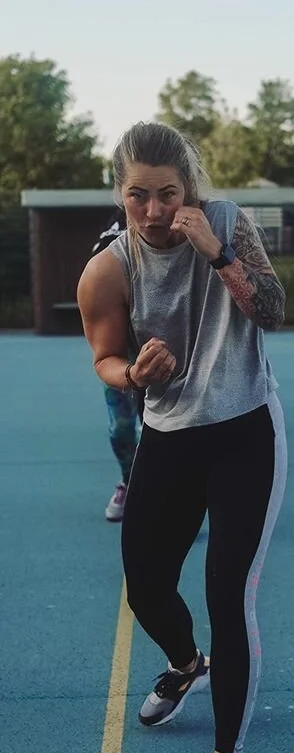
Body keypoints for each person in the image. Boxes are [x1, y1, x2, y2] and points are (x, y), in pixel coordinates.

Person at [77, 121, 288, 753]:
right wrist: (133, 376)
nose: (154, 211)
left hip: (244, 428)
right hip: (168, 434)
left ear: (188, 189)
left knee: (228, 594)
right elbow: (104, 359)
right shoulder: (108, 268)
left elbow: (275, 311)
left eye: (167, 193)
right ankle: (185, 660)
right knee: (144, 582)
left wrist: (219, 253)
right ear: (119, 192)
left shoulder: (227, 222)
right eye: (137, 195)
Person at [89, 208, 142, 522]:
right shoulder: (110, 233)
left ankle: (175, 496)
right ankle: (129, 480)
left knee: (170, 428)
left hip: (169, 348)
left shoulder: (176, 222)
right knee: (121, 428)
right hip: (120, 353)